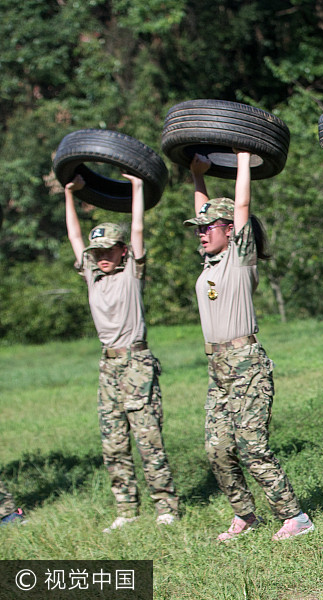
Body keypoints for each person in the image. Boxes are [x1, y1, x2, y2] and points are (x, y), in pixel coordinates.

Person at [187, 152, 313, 542]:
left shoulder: (240, 261)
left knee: (251, 444)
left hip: (247, 364)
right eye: (199, 229)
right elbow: (205, 210)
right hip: (217, 367)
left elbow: (242, 205)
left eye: (210, 228)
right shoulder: (208, 266)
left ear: (230, 231)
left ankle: (295, 516)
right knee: (217, 448)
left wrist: (243, 156)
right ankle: (245, 515)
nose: (202, 233)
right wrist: (197, 175)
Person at [64, 173, 179, 533]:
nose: (100, 257)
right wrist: (69, 194)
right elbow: (74, 236)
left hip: (136, 363)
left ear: (122, 252)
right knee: (113, 443)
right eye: (96, 253)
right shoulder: (92, 277)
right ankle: (127, 509)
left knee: (148, 440)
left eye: (108, 251)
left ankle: (166, 506)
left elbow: (138, 231)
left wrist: (137, 189)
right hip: (107, 367)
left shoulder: (131, 273)